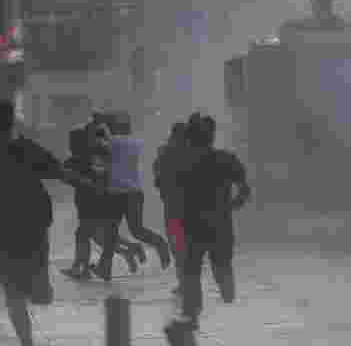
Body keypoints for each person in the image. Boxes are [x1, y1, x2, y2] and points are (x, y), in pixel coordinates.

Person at [0, 98, 89, 346]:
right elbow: (58, 171)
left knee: (15, 293)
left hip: (4, 229)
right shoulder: (23, 148)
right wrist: (88, 184)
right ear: (11, 120)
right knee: (31, 293)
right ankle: (29, 344)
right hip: (29, 227)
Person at [168, 114, 251, 331]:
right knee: (221, 266)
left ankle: (191, 315)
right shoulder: (225, 159)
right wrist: (234, 204)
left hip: (192, 226)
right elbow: (244, 187)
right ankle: (229, 297)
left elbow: (172, 195)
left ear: (189, 138)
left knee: (191, 271)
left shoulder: (181, 161)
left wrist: (176, 223)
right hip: (220, 224)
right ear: (212, 137)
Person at [62, 113, 143, 280]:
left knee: (86, 234)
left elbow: (94, 175)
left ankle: (82, 268)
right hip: (91, 202)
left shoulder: (91, 155)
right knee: (99, 236)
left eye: (72, 142)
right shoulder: (88, 155)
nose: (70, 145)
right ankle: (129, 250)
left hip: (93, 202)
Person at [94, 112, 171, 282]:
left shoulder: (113, 143)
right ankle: (161, 245)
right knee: (137, 230)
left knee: (110, 232)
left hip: (116, 194)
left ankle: (105, 268)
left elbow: (100, 141)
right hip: (135, 193)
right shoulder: (135, 142)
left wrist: (100, 124)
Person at [154, 122, 188, 292]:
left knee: (177, 243)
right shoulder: (194, 152)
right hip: (192, 206)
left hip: (172, 206)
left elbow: (157, 179)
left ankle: (183, 281)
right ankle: (188, 280)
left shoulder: (164, 152)